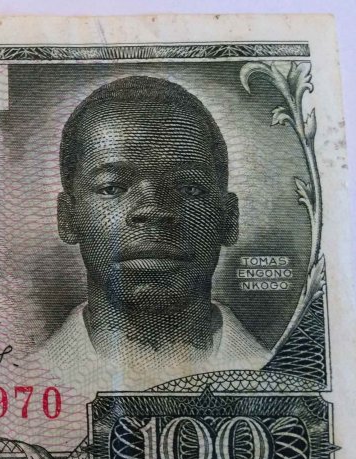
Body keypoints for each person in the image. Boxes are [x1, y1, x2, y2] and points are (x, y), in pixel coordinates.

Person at [34, 76, 270, 393]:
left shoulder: (280, 370)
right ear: (68, 218)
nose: (154, 209)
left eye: (189, 188)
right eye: (112, 187)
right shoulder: (28, 373)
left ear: (228, 219)